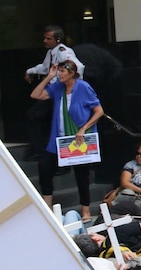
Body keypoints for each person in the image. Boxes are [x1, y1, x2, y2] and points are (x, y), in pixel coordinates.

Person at [30, 57, 102, 222]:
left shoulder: (83, 87)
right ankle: (48, 207)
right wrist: (49, 76)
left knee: (81, 175)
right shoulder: (57, 88)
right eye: (59, 71)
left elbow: (99, 111)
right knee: (45, 168)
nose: (60, 74)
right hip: (59, 139)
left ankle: (85, 210)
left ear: (72, 73)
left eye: (62, 71)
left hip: (77, 139)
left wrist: (83, 128)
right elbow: (35, 95)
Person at [24, 25, 78, 161]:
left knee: (58, 123)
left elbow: (78, 67)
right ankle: (42, 150)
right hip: (51, 92)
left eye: (48, 38)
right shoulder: (51, 52)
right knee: (37, 117)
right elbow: (44, 67)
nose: (44, 41)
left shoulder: (64, 52)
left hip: (58, 92)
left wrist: (70, 87)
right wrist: (30, 71)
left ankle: (51, 155)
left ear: (58, 39)